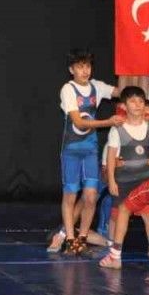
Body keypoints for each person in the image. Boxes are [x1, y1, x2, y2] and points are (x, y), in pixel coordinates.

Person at [49, 50, 123, 254]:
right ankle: (69, 238)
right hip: (71, 150)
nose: (85, 71)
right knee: (70, 195)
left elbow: (121, 91)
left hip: (90, 149)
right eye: (80, 67)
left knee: (90, 196)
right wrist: (108, 122)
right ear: (71, 69)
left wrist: (135, 76)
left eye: (88, 66)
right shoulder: (68, 89)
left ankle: (82, 238)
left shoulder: (97, 86)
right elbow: (80, 123)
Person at [106, 87, 149, 236]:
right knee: (117, 216)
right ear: (123, 106)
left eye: (141, 101)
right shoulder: (117, 129)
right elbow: (110, 156)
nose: (138, 104)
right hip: (123, 181)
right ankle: (113, 245)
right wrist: (111, 180)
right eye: (133, 101)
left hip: (144, 180)